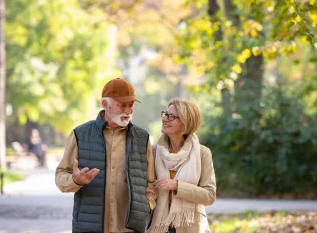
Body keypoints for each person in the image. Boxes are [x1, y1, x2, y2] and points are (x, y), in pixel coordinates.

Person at [55, 78, 155, 233]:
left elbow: (151, 183)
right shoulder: (80, 134)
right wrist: (75, 180)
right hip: (89, 228)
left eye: (131, 105)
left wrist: (147, 204)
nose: (128, 111)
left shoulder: (143, 138)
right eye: (122, 105)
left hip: (129, 229)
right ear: (105, 105)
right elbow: (60, 175)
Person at [147, 98, 216, 233]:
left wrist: (176, 185)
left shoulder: (202, 153)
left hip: (190, 226)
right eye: (165, 114)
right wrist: (150, 192)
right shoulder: (153, 152)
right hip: (159, 226)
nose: (165, 119)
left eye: (171, 116)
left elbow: (209, 196)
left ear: (185, 123)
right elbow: (150, 187)